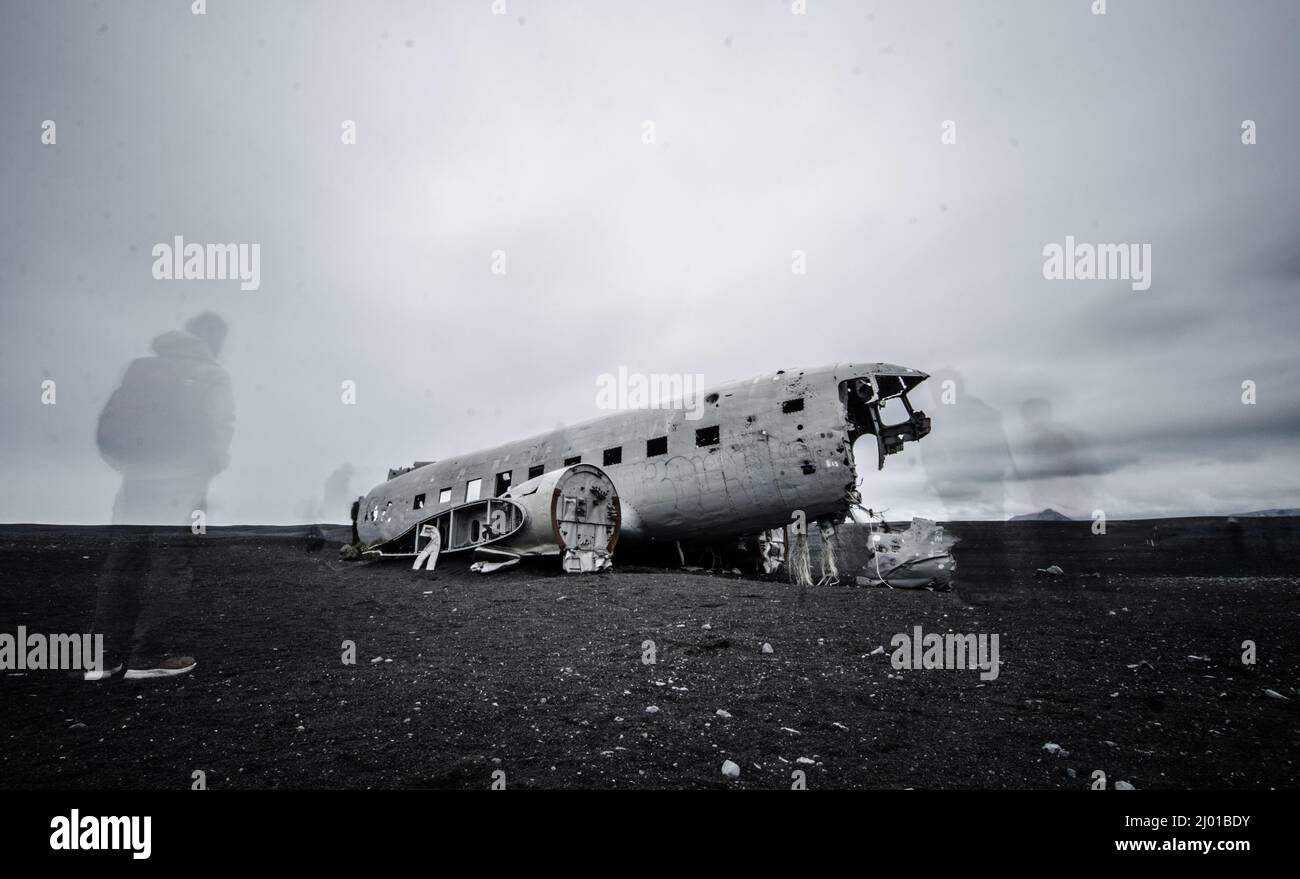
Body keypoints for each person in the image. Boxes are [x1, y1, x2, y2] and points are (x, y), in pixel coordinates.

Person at [90, 312, 234, 680]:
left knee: (122, 564)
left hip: (136, 479)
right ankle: (146, 657)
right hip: (181, 484)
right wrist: (208, 467)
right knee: (169, 568)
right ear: (214, 339)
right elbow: (217, 429)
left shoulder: (148, 368)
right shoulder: (210, 373)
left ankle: (103, 660)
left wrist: (130, 465)